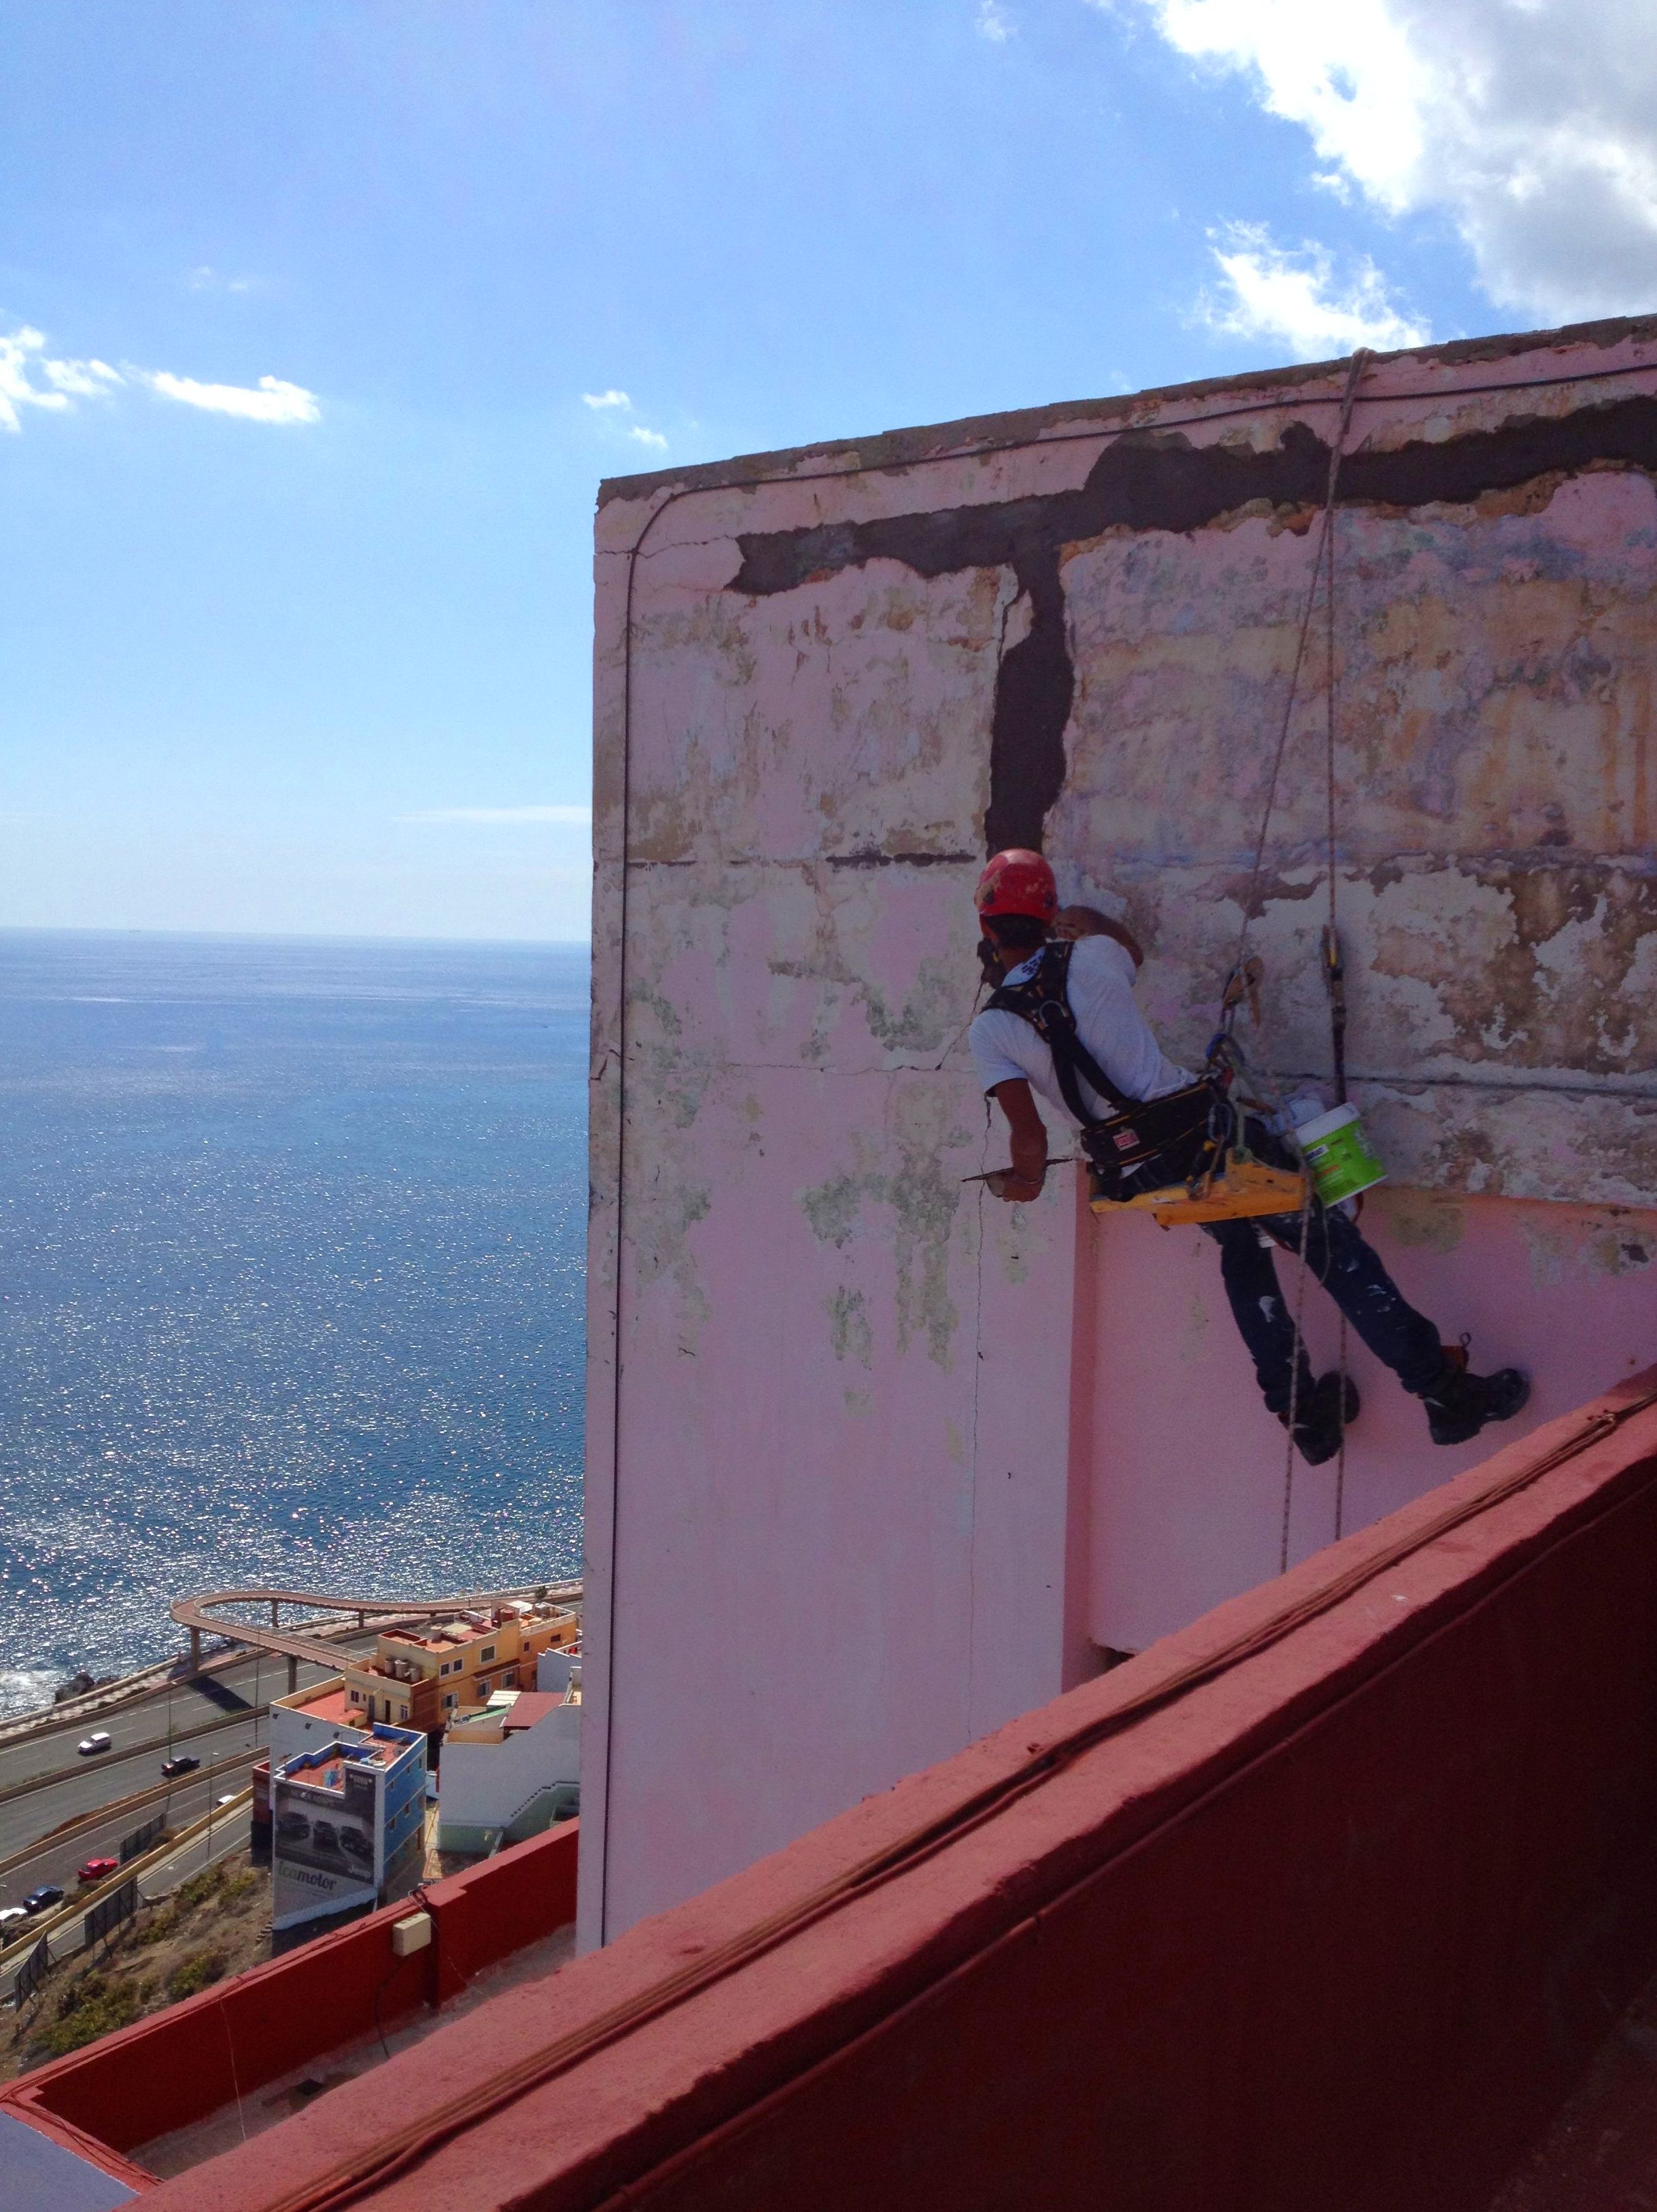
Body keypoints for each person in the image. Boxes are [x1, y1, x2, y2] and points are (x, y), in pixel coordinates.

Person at [967, 848, 1530, 1466]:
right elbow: (1124, 943)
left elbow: (1031, 1138)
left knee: (1242, 1252)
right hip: (1207, 1136)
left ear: (986, 928)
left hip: (1144, 1169)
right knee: (1326, 1242)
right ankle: (1445, 1393)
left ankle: (1303, 1415)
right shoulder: (1093, 955)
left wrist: (1023, 1182)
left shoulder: (992, 1029)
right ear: (1049, 917)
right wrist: (1079, 918)